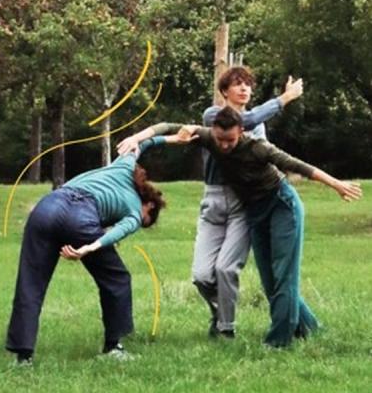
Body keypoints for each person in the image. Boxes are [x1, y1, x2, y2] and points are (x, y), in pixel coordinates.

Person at [131, 106, 362, 347]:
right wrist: (136, 138)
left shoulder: (258, 148)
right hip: (255, 211)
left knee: (284, 274)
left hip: (281, 205)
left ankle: (278, 342)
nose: (224, 145)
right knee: (269, 280)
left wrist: (337, 184)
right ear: (214, 131)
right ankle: (309, 327)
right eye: (220, 139)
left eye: (230, 140)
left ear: (241, 131)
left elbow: (299, 166)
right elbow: (167, 126)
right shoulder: (210, 137)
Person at [118, 67, 304, 339]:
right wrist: (285, 98)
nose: (244, 88)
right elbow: (245, 119)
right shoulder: (212, 116)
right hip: (214, 199)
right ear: (224, 91)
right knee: (202, 276)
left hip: (246, 202)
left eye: (247, 84)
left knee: (231, 269)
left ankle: (228, 329)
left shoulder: (257, 125)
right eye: (237, 84)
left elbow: (259, 147)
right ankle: (220, 312)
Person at [5, 137, 168, 365]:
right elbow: (116, 232)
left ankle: (23, 357)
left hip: (47, 206)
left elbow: (140, 145)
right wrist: (89, 248)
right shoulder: (134, 212)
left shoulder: (123, 167)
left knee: (31, 282)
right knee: (118, 278)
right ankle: (113, 347)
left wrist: (170, 137)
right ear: (149, 205)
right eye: (145, 221)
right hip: (80, 216)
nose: (139, 223)